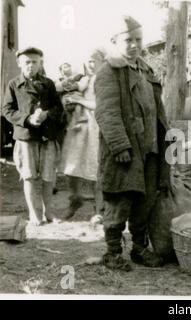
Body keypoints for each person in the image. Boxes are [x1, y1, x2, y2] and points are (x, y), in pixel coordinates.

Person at [94, 16, 170, 271]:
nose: (134, 45)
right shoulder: (109, 72)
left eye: (138, 40)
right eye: (128, 40)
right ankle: (113, 252)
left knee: (145, 202)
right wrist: (120, 146)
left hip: (149, 149)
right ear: (114, 41)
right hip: (125, 151)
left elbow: (158, 111)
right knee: (119, 199)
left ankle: (139, 248)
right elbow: (107, 113)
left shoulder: (146, 71)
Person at [2, 47, 65, 225]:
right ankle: (34, 214)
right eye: (27, 62)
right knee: (29, 176)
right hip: (26, 137)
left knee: (48, 176)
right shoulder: (14, 84)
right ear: (19, 64)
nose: (31, 65)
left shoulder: (49, 84)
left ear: (41, 63)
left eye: (34, 62)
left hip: (47, 137)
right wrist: (27, 119)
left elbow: (58, 108)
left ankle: (49, 213)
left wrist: (47, 114)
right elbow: (7, 110)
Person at [58, 50, 106, 220]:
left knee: (94, 166)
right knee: (71, 165)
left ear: (102, 61)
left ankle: (99, 208)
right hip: (79, 126)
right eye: (88, 61)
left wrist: (78, 100)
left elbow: (99, 105)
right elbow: (70, 88)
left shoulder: (105, 79)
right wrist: (69, 94)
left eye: (94, 61)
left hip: (95, 126)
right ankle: (75, 198)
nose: (91, 64)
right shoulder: (86, 78)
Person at [55, 62, 87, 131]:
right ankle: (71, 124)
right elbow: (58, 87)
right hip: (66, 96)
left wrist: (75, 84)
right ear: (61, 71)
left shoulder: (77, 77)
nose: (67, 68)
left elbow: (81, 84)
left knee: (79, 105)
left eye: (68, 66)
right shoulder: (60, 80)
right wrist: (64, 84)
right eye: (65, 67)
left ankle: (78, 121)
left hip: (76, 94)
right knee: (67, 108)